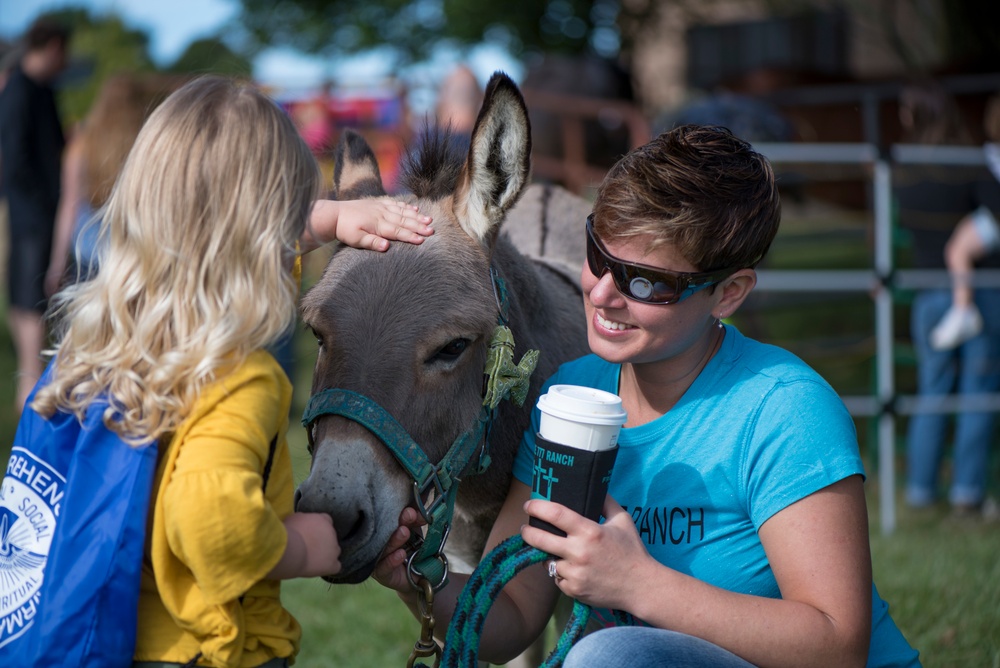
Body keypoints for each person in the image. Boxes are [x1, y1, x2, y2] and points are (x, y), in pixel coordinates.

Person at [375, 125, 920, 667]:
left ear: (727, 294)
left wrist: (638, 584)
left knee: (606, 657)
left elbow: (838, 646)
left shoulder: (785, 409)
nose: (603, 293)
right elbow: (510, 617)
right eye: (599, 253)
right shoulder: (571, 395)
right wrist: (418, 577)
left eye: (646, 282)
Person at [28, 76, 433, 667]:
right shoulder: (237, 381)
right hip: (209, 651)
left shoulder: (101, 355)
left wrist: (328, 218)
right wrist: (303, 545)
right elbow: (212, 522)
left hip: (102, 636)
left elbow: (221, 233)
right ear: (266, 244)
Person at [895, 84, 1000, 515]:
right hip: (982, 294)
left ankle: (920, 492)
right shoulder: (968, 163)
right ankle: (967, 495)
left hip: (928, 295)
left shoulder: (902, 169)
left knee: (931, 392)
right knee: (978, 392)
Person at [47, 73, 182, 294]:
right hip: (137, 245)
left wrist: (57, 263)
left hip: (88, 247)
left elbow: (69, 203)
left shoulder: (81, 145)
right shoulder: (148, 143)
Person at [0, 17, 70, 413]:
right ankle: (30, 389)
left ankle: (31, 387)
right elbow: (15, 158)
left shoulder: (43, 90)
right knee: (28, 301)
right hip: (31, 215)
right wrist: (43, 207)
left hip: (40, 213)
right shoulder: (20, 90)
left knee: (33, 300)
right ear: (54, 46)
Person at [928, 92, 1000, 350]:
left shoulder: (989, 154)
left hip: (996, 216)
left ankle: (963, 309)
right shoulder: (989, 154)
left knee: (957, 250)